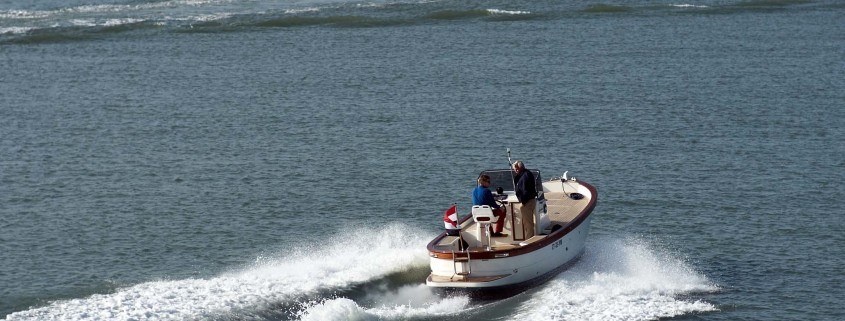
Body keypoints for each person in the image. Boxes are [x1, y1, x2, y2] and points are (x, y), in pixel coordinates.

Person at [512, 160, 538, 238]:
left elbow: (524, 190)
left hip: (528, 202)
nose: (514, 171)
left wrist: (523, 201)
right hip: (530, 200)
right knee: (527, 222)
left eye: (515, 169)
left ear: (518, 168)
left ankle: (529, 240)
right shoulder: (527, 174)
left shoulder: (525, 176)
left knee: (528, 223)